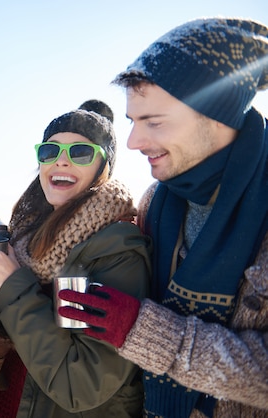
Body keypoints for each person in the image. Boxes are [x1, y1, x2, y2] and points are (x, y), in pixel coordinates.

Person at [58, 18, 268, 417]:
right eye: (133, 122)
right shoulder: (156, 201)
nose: (134, 142)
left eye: (154, 122)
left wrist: (143, 331)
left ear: (217, 116)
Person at [0, 100, 151, 417]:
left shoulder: (118, 248)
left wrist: (13, 285)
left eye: (80, 153)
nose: (62, 162)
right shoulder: (26, 239)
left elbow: (81, 384)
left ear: (104, 167)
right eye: (50, 152)